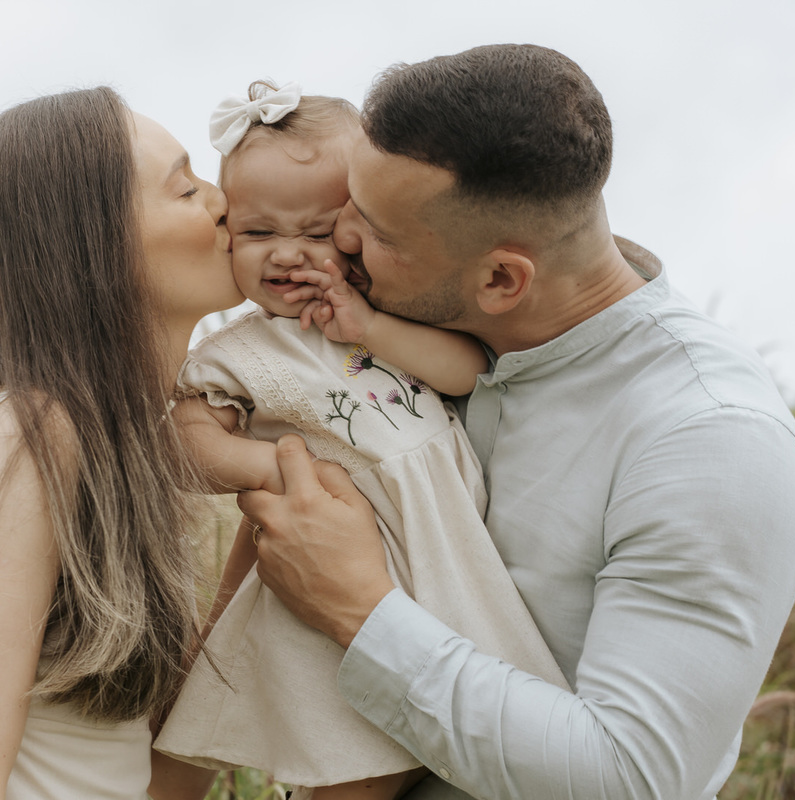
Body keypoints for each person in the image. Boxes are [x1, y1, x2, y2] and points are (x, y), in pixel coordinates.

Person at [239, 44, 795, 800]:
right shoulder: (403, 336)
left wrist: (358, 609)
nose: (338, 238)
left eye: (374, 229)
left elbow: (630, 778)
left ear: (502, 279)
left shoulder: (709, 438)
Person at [153, 82, 566, 800]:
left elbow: (468, 373)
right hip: (331, 568)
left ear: (356, 230)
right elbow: (188, 446)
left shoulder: (387, 319)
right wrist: (284, 468)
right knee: (351, 757)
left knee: (455, 736)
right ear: (228, 232)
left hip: (444, 569)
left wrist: (368, 328)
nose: (287, 254)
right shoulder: (239, 351)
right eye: (257, 233)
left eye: (316, 233)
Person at [0, 86, 244, 800]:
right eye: (185, 187)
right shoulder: (33, 431)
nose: (223, 200)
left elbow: (154, 779)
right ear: (96, 247)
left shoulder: (127, 454)